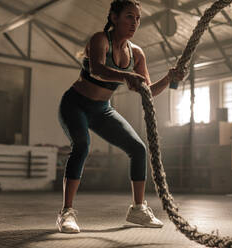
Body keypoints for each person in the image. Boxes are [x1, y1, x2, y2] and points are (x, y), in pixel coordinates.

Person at [56, 0, 185, 233]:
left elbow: (148, 92)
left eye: (137, 19)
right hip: (75, 105)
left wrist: (169, 78)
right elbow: (97, 69)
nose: (134, 23)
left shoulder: (136, 53)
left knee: (138, 149)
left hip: (102, 110)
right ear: (114, 18)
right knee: (82, 145)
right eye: (129, 16)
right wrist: (126, 77)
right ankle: (66, 213)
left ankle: (137, 209)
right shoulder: (100, 40)